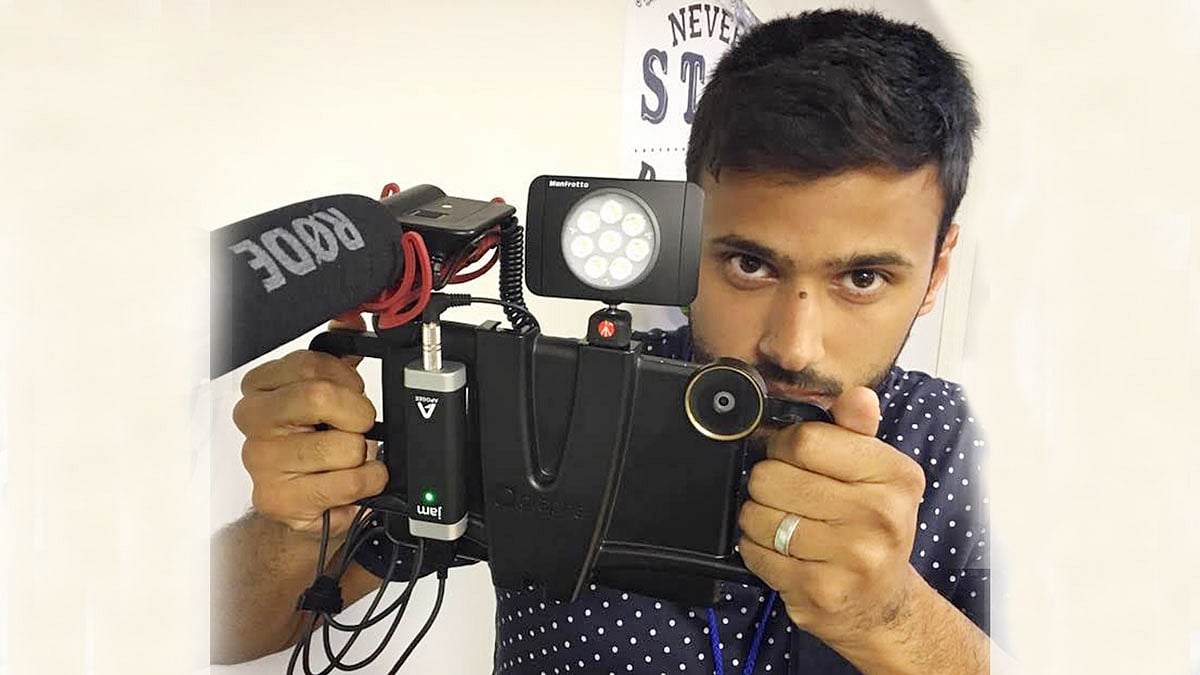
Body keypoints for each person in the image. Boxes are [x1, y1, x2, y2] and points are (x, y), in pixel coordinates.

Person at [213, 8, 998, 673]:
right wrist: (294, 524)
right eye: (749, 264)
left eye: (863, 277)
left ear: (936, 272)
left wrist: (891, 618)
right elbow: (238, 628)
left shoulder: (974, 452)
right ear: (685, 242)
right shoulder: (555, 399)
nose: (794, 346)